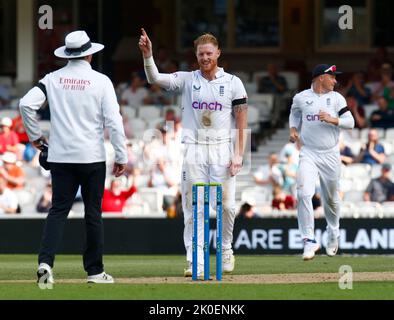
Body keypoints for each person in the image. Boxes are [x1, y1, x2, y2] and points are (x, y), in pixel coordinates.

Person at [19, 30, 128, 285]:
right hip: (91, 157)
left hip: (60, 156)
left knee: (58, 211)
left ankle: (45, 263)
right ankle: (94, 271)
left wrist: (35, 136)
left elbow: (26, 104)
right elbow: (114, 121)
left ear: (68, 54)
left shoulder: (52, 79)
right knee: (92, 214)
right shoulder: (101, 81)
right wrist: (121, 155)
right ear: (89, 54)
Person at [139, 28, 248, 277]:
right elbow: (155, 78)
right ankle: (194, 259)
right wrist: (148, 55)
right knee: (193, 207)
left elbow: (242, 120)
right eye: (201, 54)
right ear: (196, 55)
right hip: (194, 149)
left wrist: (238, 154)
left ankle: (226, 248)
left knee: (228, 207)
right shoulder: (188, 79)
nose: (205, 58)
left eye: (209, 53)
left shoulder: (233, 83)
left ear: (218, 53)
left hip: (222, 149)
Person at [289, 64, 355, 261]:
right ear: (320, 78)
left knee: (332, 200)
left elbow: (350, 122)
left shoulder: (337, 98)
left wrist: (332, 119)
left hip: (331, 154)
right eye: (332, 77)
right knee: (303, 193)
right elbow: (294, 113)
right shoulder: (301, 97)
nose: (335, 81)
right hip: (308, 152)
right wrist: (293, 129)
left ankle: (333, 232)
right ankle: (309, 240)